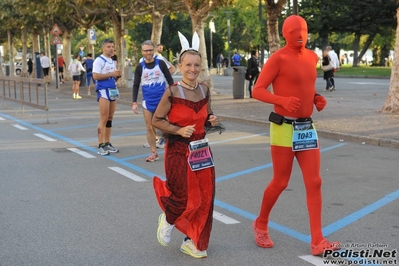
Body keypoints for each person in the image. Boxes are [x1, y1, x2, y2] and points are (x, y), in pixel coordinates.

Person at [251, 15, 341, 256]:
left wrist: (315, 98)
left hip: (306, 128)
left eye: (303, 29)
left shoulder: (312, 57)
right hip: (283, 128)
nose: (299, 34)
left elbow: (306, 85)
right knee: (280, 182)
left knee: (315, 182)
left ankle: (318, 241)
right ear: (284, 33)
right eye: (293, 30)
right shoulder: (277, 58)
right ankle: (260, 223)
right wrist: (281, 100)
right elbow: (257, 90)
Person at [152, 31, 223, 259]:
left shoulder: (204, 89)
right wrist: (178, 130)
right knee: (182, 197)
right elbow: (156, 120)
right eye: (188, 65)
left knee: (205, 197)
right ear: (180, 66)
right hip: (178, 150)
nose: (193, 69)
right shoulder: (172, 91)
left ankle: (194, 241)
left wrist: (212, 119)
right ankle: (169, 219)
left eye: (197, 65)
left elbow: (207, 115)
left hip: (201, 150)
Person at [132, 40, 174, 162]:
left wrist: (173, 96)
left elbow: (170, 81)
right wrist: (134, 102)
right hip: (147, 101)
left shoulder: (160, 63)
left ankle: (170, 150)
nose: (148, 53)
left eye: (150, 50)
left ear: (153, 50)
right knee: (149, 127)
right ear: (142, 52)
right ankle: (154, 152)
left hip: (162, 100)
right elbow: (135, 85)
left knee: (165, 126)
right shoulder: (140, 67)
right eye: (145, 50)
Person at [92, 39, 121, 156]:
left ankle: (108, 142)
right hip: (103, 91)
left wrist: (117, 76)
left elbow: (113, 77)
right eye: (109, 46)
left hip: (112, 90)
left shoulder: (112, 61)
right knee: (103, 118)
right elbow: (95, 76)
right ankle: (101, 145)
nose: (111, 49)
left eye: (112, 46)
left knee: (110, 117)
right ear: (103, 48)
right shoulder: (99, 60)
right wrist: (111, 74)